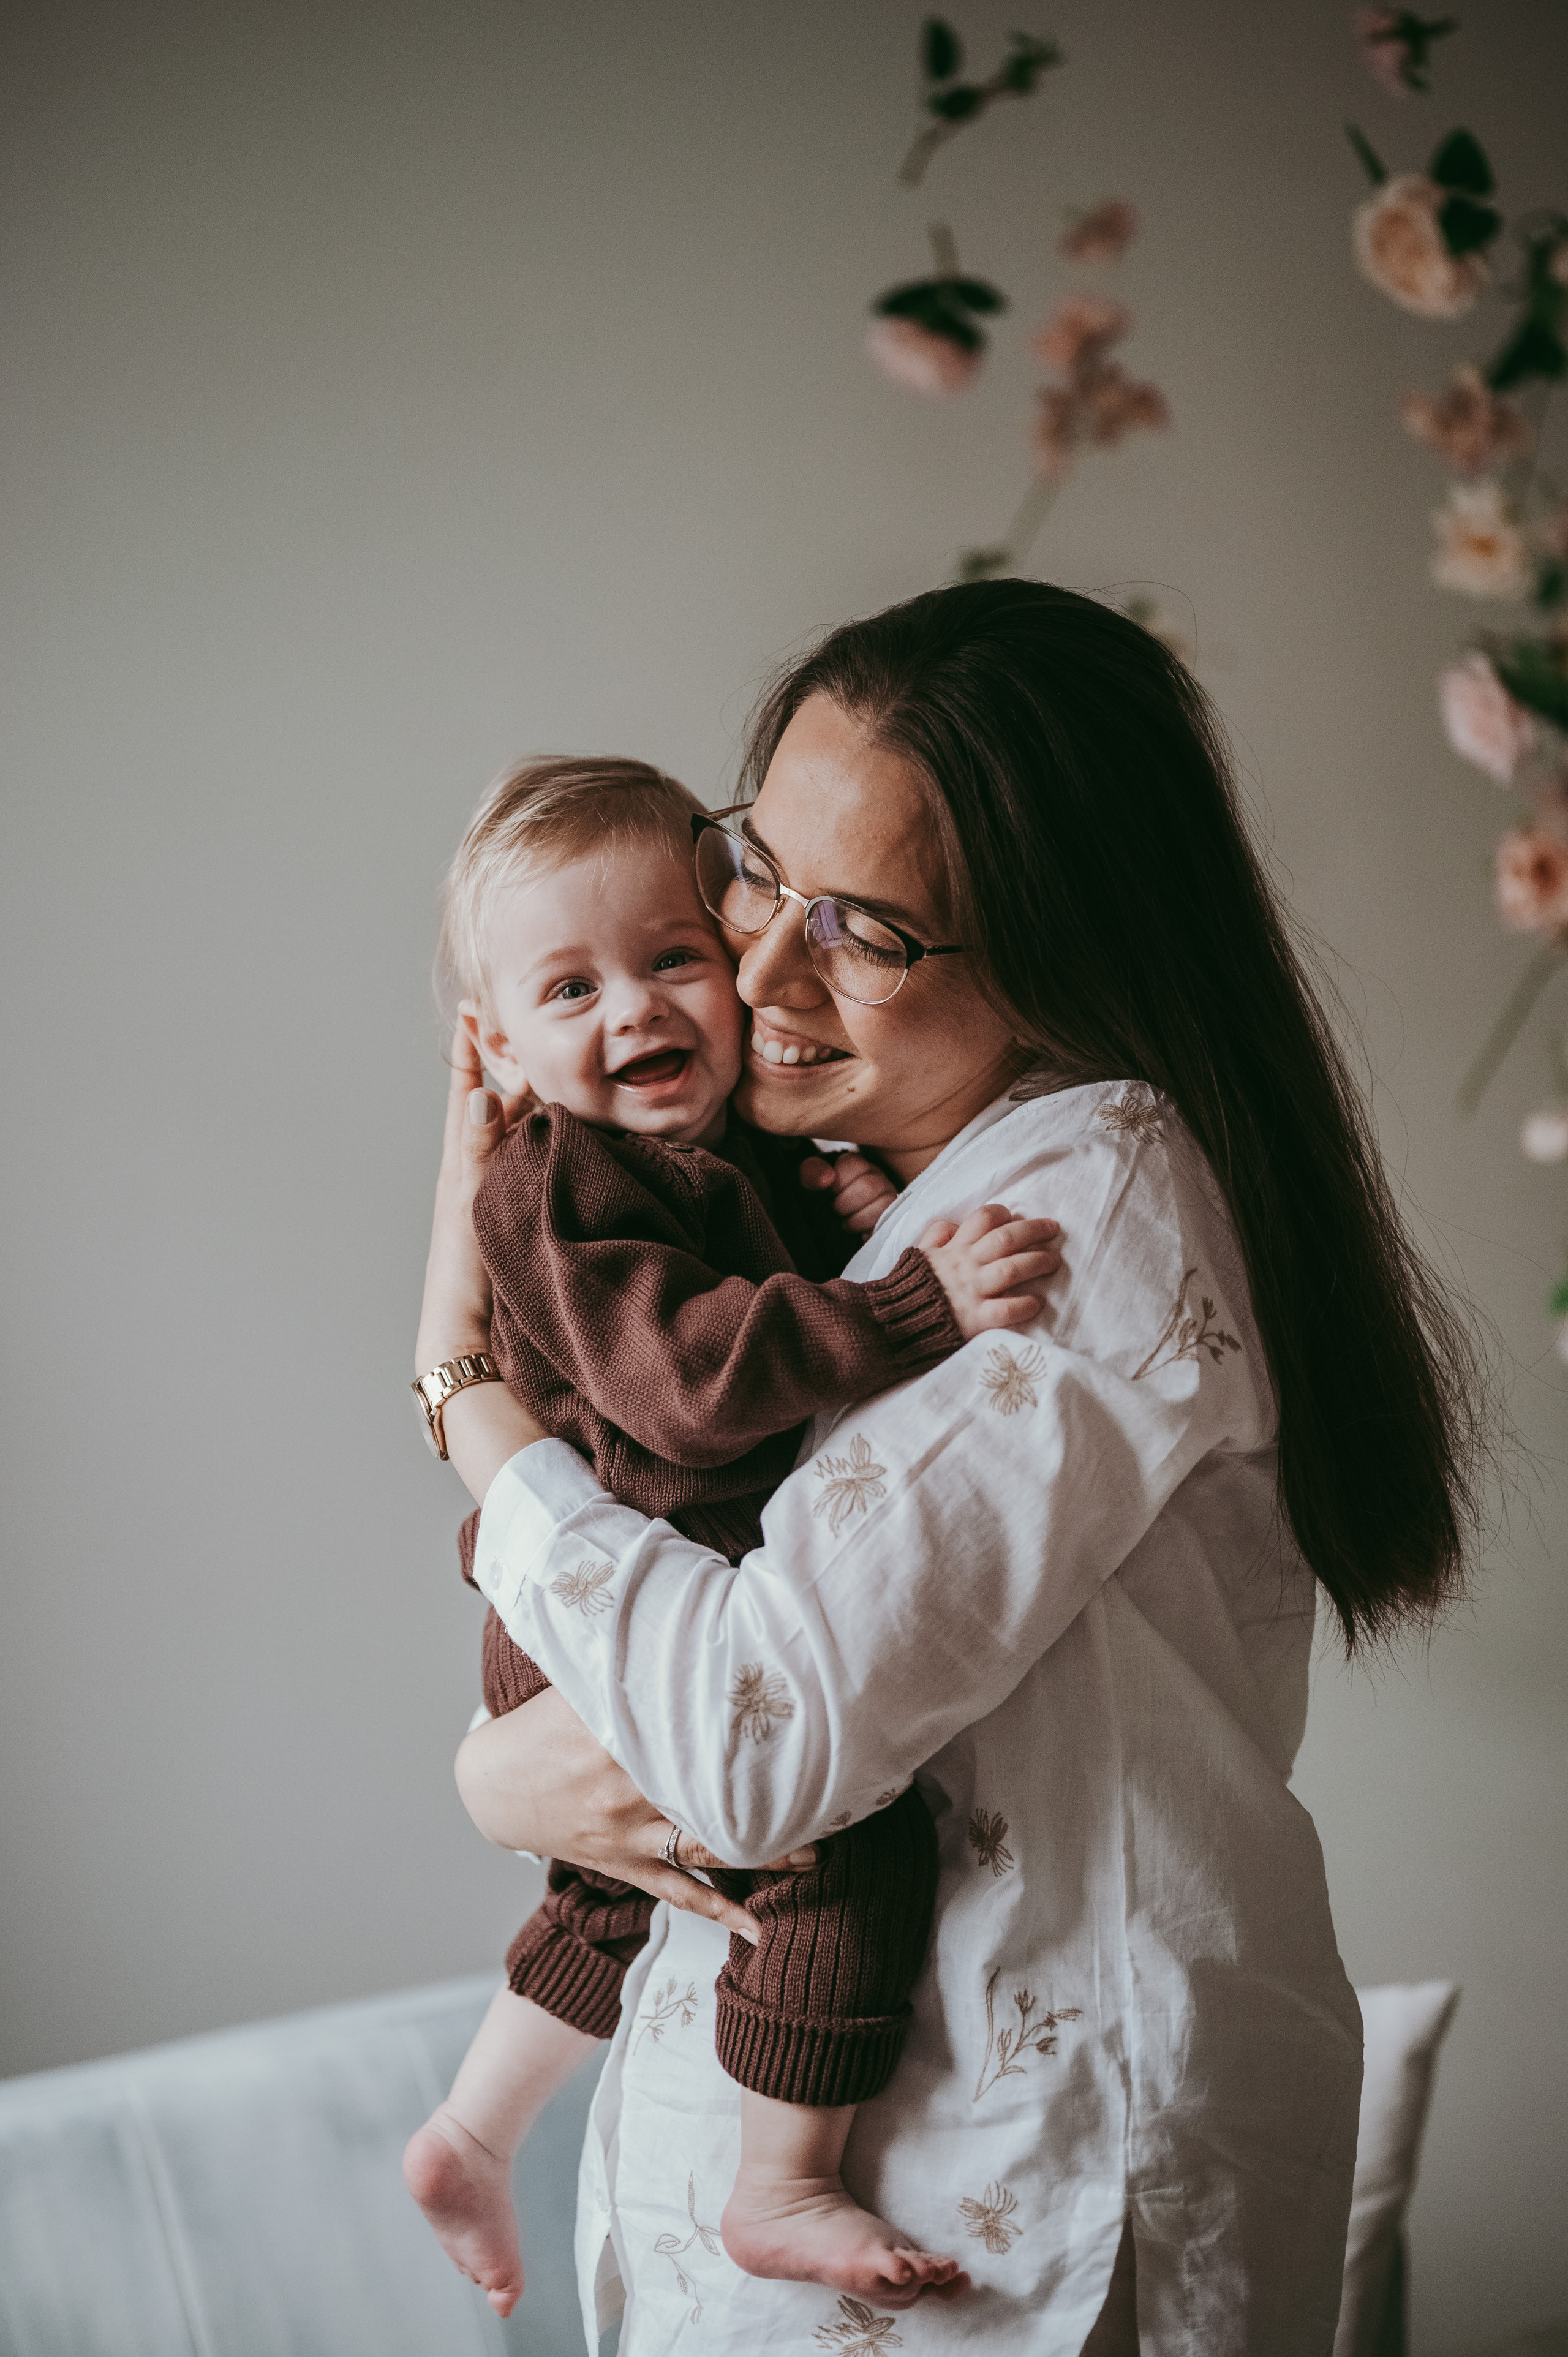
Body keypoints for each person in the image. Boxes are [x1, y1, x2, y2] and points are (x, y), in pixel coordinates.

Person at [417, 581, 1483, 2356]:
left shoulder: (1084, 1199)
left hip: (1013, 2236)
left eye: (863, 930)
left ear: (1067, 953)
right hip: (751, 2220)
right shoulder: (812, 1205)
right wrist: (496, 1776)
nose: (754, 969)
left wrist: (463, 1389)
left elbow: (753, 1747)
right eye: (757, 868)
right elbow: (663, 1688)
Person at [402, 755, 1063, 2319]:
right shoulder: (552, 1179)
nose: (633, 1010)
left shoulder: (704, 1156)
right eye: (571, 988)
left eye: (670, 958)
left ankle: (469, 2129)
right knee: (832, 1840)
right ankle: (779, 2180)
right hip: (595, 1573)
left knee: (610, 1888)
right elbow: (685, 1378)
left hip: (610, 1574)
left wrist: (843, 1189)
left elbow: (755, 1232)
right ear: (494, 1049)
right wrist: (902, 1304)